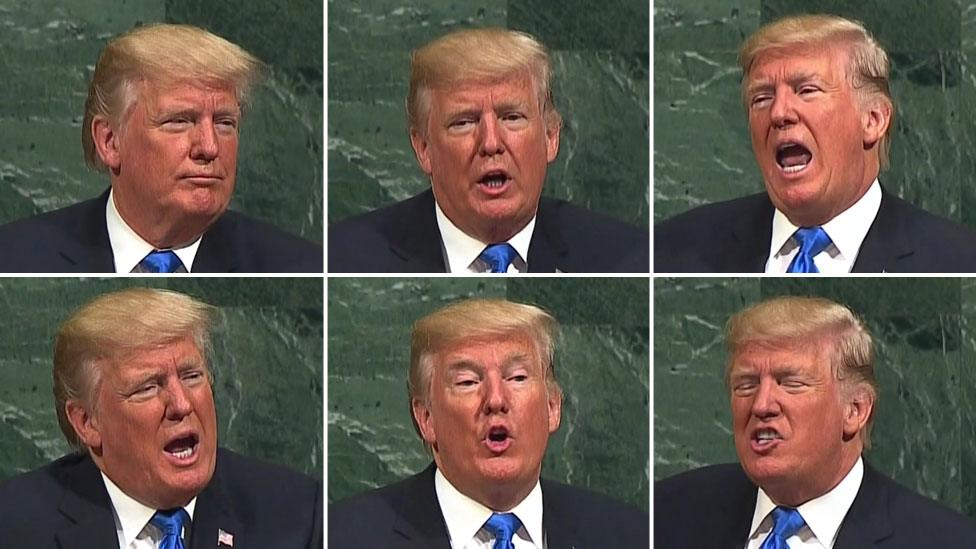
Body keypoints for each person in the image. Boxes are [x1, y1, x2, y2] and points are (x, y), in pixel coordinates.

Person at [0, 288, 323, 547]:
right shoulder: (14, 526)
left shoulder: (295, 514)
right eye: (148, 387)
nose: (181, 404)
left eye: (192, 376)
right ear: (87, 422)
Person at [655, 14, 976, 273]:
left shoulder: (959, 259)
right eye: (762, 98)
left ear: (874, 120)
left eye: (807, 90)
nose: (779, 113)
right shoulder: (672, 249)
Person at [655, 296, 976, 547]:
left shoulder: (946, 541)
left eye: (791, 383)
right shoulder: (667, 514)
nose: (761, 405)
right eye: (746, 385)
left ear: (855, 410)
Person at [0, 24, 322, 273]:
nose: (209, 147)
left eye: (225, 123)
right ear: (110, 141)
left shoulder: (297, 266)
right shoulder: (16, 256)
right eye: (180, 121)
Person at [330, 298, 648, 547]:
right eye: (468, 382)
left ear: (553, 407)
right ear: (425, 417)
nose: (496, 399)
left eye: (517, 377)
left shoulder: (629, 536)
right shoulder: (343, 537)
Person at [328, 28, 648, 273]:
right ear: (423, 147)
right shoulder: (343, 258)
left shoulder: (625, 258)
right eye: (464, 122)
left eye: (512, 117)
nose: (491, 143)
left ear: (551, 136)